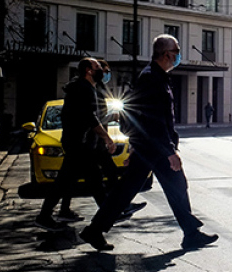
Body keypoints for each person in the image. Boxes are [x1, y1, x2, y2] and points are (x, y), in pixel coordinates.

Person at [79, 35, 218, 251]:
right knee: (172, 185)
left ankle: (94, 230)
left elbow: (143, 117)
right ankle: (191, 233)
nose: (178, 55)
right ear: (166, 54)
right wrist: (169, 151)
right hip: (155, 147)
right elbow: (153, 120)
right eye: (176, 51)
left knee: (131, 189)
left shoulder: (157, 76)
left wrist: (136, 147)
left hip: (149, 146)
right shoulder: (151, 78)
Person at [34, 58, 116, 231]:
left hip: (78, 142)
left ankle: (108, 213)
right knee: (88, 180)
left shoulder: (85, 87)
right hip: (78, 143)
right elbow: (90, 118)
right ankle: (108, 214)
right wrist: (106, 138)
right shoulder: (83, 89)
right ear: (88, 70)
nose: (101, 70)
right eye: (97, 67)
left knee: (82, 180)